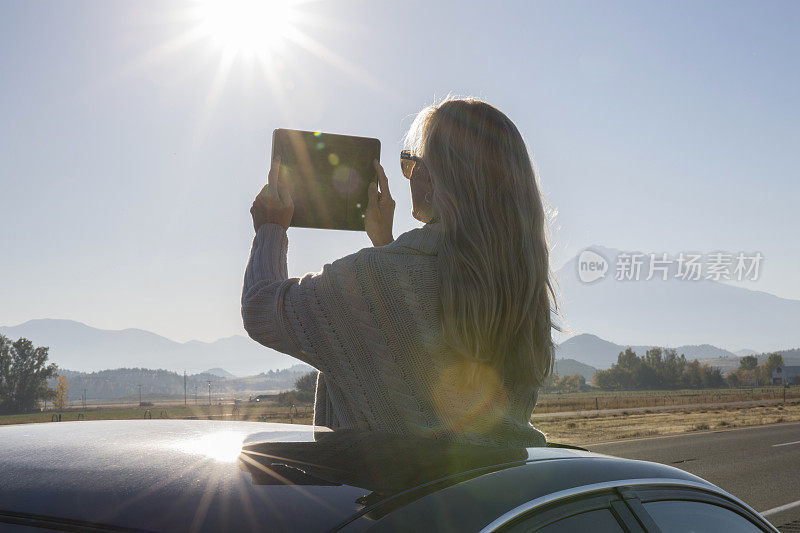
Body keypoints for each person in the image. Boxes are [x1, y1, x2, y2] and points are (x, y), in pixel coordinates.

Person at [242, 97, 556, 447]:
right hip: (507, 489)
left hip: (391, 500)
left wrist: (271, 226)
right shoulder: (522, 287)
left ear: (432, 177)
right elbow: (420, 358)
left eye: (411, 163)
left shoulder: (375, 280)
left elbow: (260, 307)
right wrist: (385, 244)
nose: (409, 175)